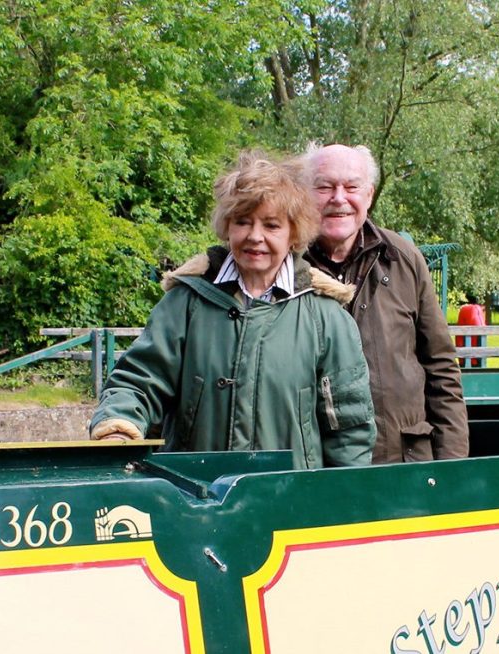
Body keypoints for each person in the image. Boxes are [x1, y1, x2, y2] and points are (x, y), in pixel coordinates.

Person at [89, 151, 377, 469]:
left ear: (293, 233)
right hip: (192, 499)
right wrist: (117, 429)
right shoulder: (185, 304)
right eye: (243, 221)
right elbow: (139, 381)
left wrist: (344, 503)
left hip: (292, 505)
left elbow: (349, 430)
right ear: (227, 226)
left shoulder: (327, 319)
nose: (255, 236)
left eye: (271, 225)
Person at [302, 143, 469, 464]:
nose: (339, 198)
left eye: (352, 187)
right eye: (324, 187)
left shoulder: (405, 259)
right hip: (317, 469)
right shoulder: (283, 265)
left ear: (369, 195)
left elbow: (442, 368)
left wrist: (452, 465)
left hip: (403, 464)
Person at [456, 295, 486, 368]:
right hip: (479, 354)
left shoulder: (465, 309)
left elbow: (459, 333)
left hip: (467, 355)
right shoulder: (479, 310)